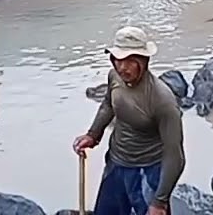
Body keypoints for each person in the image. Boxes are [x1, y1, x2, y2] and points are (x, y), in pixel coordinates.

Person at [72, 26, 185, 215]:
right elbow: (108, 104)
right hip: (116, 163)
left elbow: (175, 156)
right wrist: (93, 135)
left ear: (144, 61)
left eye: (130, 61)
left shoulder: (162, 100)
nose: (122, 67)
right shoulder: (114, 76)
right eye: (118, 59)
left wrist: (160, 201)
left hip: (148, 171)